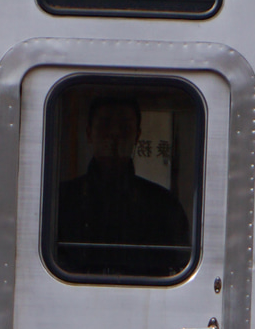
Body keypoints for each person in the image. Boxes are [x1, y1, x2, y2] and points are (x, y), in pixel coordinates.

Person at [56, 95, 191, 276]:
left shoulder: (163, 205)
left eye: (125, 126)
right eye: (105, 125)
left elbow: (178, 267)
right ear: (89, 133)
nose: (115, 134)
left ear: (137, 135)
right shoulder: (61, 201)